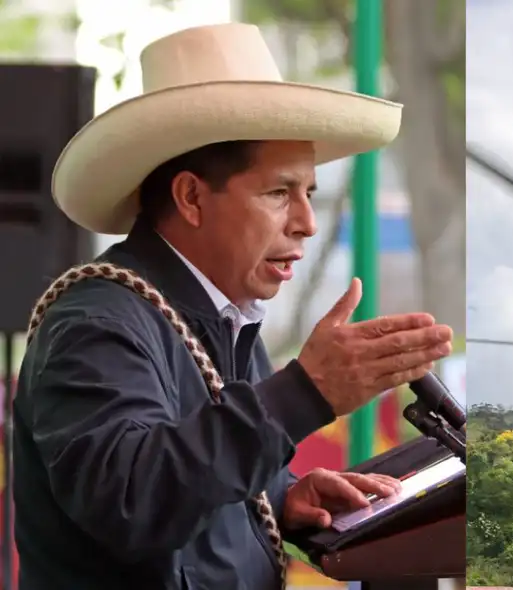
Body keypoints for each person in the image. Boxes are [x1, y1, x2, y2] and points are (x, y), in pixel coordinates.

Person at [11, 23, 453, 590]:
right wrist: (306, 392)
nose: (307, 222)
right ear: (191, 197)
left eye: (309, 193)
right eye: (278, 193)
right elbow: (130, 501)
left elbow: (197, 482)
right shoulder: (95, 322)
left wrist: (279, 498)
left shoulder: (222, 316)